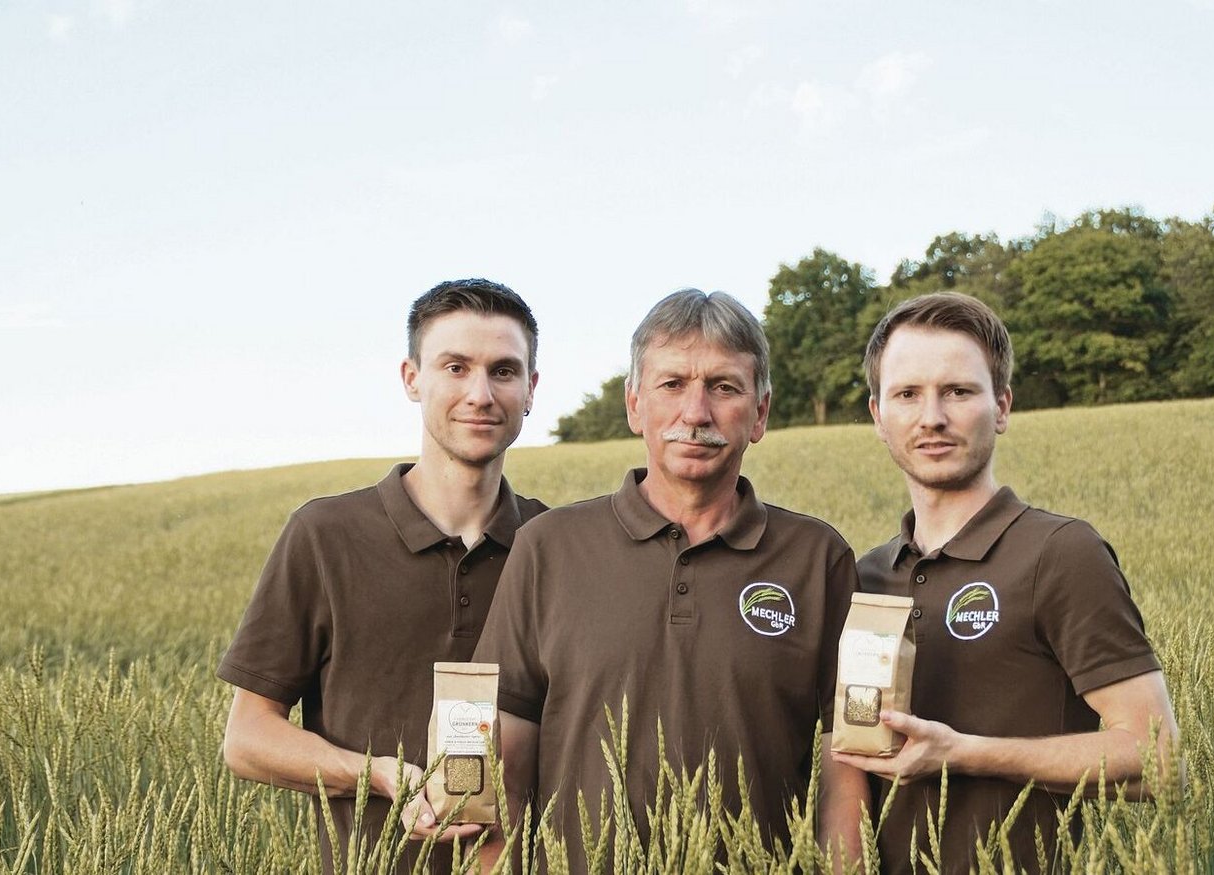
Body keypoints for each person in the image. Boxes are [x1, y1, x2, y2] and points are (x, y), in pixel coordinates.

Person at [472, 289, 870, 871]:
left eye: (724, 387)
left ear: (759, 413)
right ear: (635, 405)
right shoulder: (549, 548)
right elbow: (503, 756)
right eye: (672, 384)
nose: (696, 412)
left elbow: (848, 763)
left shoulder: (818, 559)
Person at [831, 292, 1180, 873]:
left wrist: (964, 754)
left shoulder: (1060, 552)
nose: (932, 417)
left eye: (959, 391)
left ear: (1002, 406)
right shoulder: (864, 576)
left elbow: (1158, 759)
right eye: (908, 394)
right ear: (877, 415)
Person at [218, 279, 545, 874]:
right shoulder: (325, 535)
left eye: (503, 371)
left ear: (530, 390)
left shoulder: (554, 545)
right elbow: (247, 739)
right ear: (412, 378)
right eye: (455, 366)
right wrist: (379, 775)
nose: (480, 393)